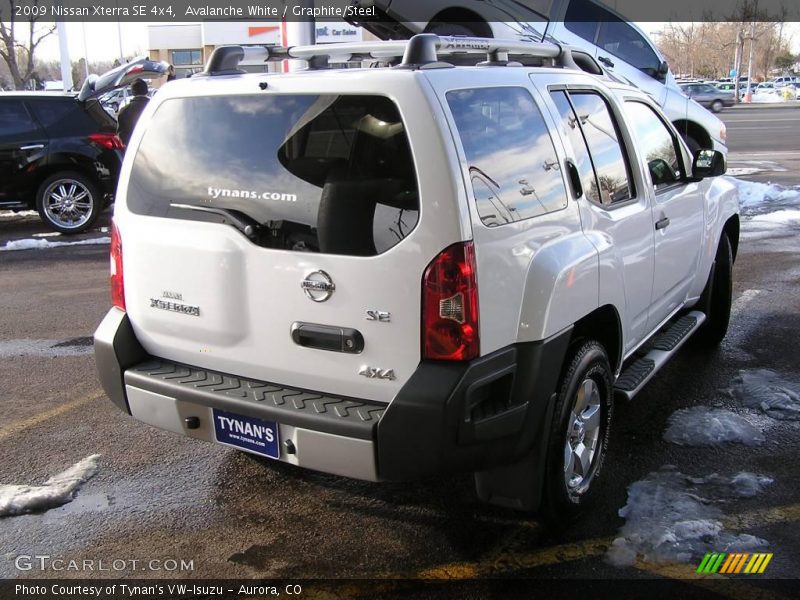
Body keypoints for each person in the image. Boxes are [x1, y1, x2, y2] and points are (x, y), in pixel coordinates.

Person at [117, 78, 150, 147]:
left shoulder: (124, 110)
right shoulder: (155, 106)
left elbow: (121, 135)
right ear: (146, 91)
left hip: (132, 148)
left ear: (133, 92)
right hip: (152, 147)